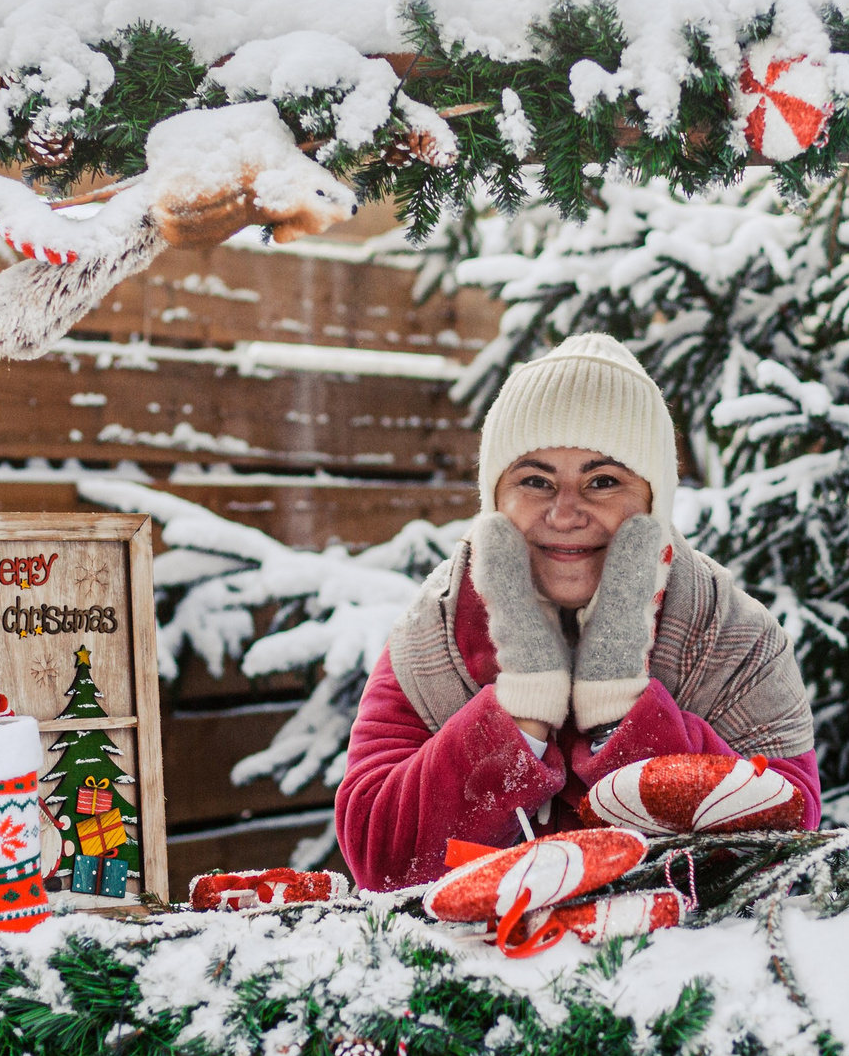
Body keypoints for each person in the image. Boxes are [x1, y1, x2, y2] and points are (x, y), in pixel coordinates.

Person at [335, 333, 819, 890]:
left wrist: (621, 709)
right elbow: (381, 859)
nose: (565, 514)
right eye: (535, 480)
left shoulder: (734, 637)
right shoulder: (434, 639)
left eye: (604, 481)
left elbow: (788, 841)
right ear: (495, 501)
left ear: (653, 502)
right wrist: (517, 712)